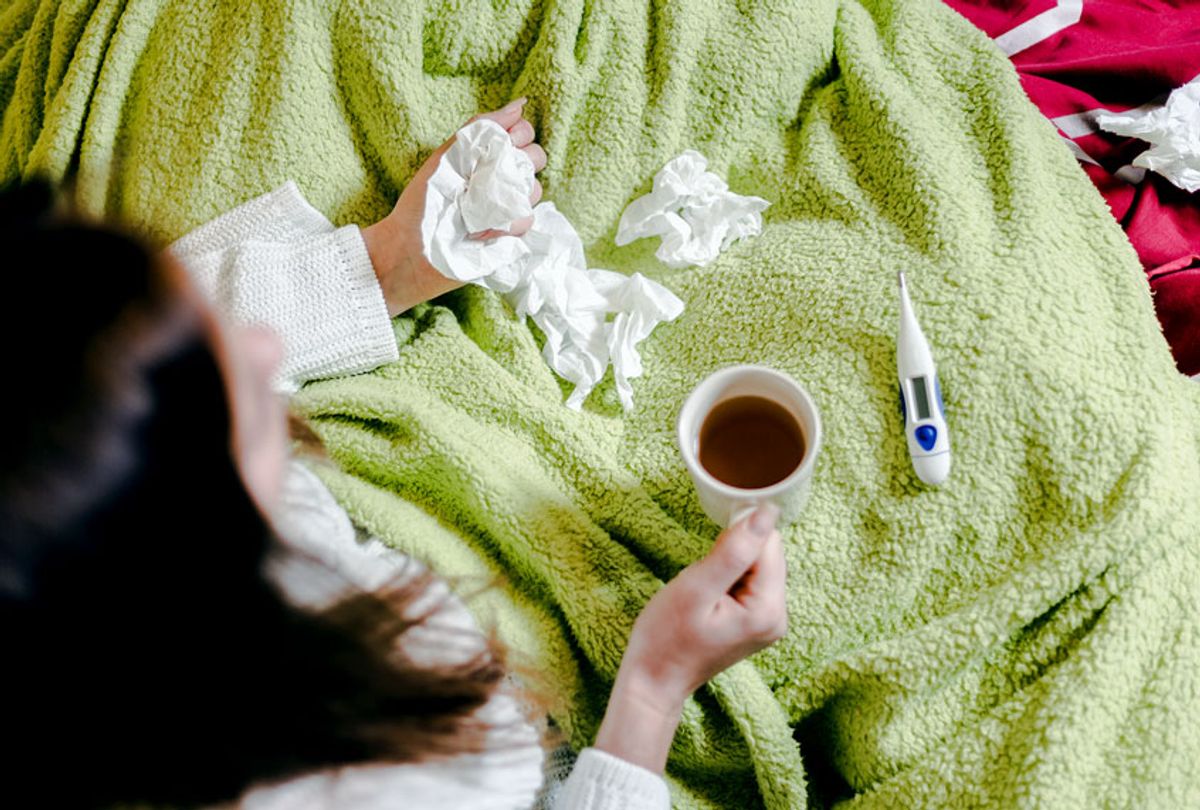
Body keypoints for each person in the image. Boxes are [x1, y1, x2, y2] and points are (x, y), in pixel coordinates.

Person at [0, 99, 789, 809]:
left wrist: (383, 266)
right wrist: (653, 689)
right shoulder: (389, 785)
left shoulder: (68, 499)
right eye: (232, 394)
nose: (264, 346)